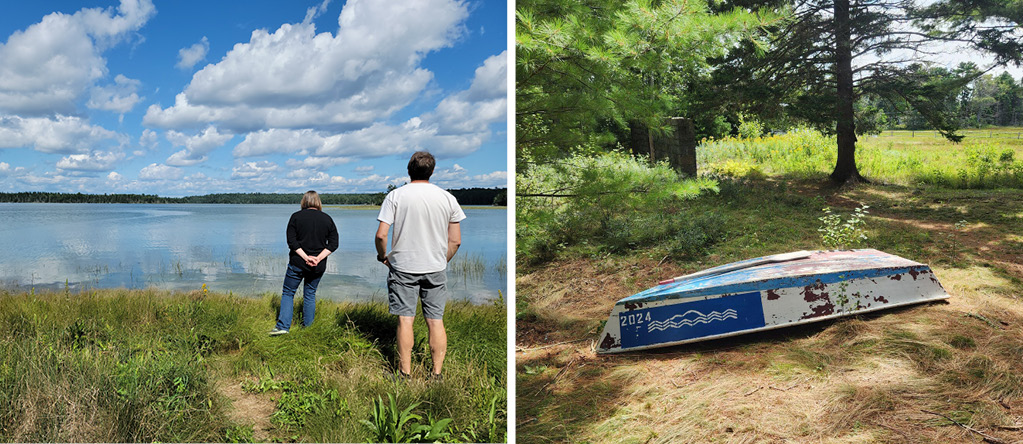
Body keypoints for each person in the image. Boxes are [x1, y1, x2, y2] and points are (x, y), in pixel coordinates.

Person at [375, 151, 465, 379]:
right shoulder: (447, 198)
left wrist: (383, 256)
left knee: (405, 319)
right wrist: (440, 260)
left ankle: (405, 374)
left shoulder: (395, 196)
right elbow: (455, 240)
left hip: (403, 267)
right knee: (435, 321)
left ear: (409, 170)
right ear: (432, 171)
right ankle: (436, 375)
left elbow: (381, 235)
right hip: (435, 267)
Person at [270, 190, 338, 336]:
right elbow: (334, 243)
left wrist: (305, 257)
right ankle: (308, 328)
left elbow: (292, 242)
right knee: (310, 294)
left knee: (288, 292)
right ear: (318, 202)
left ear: (304, 202)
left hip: (297, 263)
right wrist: (318, 258)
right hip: (317, 266)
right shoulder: (327, 219)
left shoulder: (296, 217)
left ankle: (283, 327)